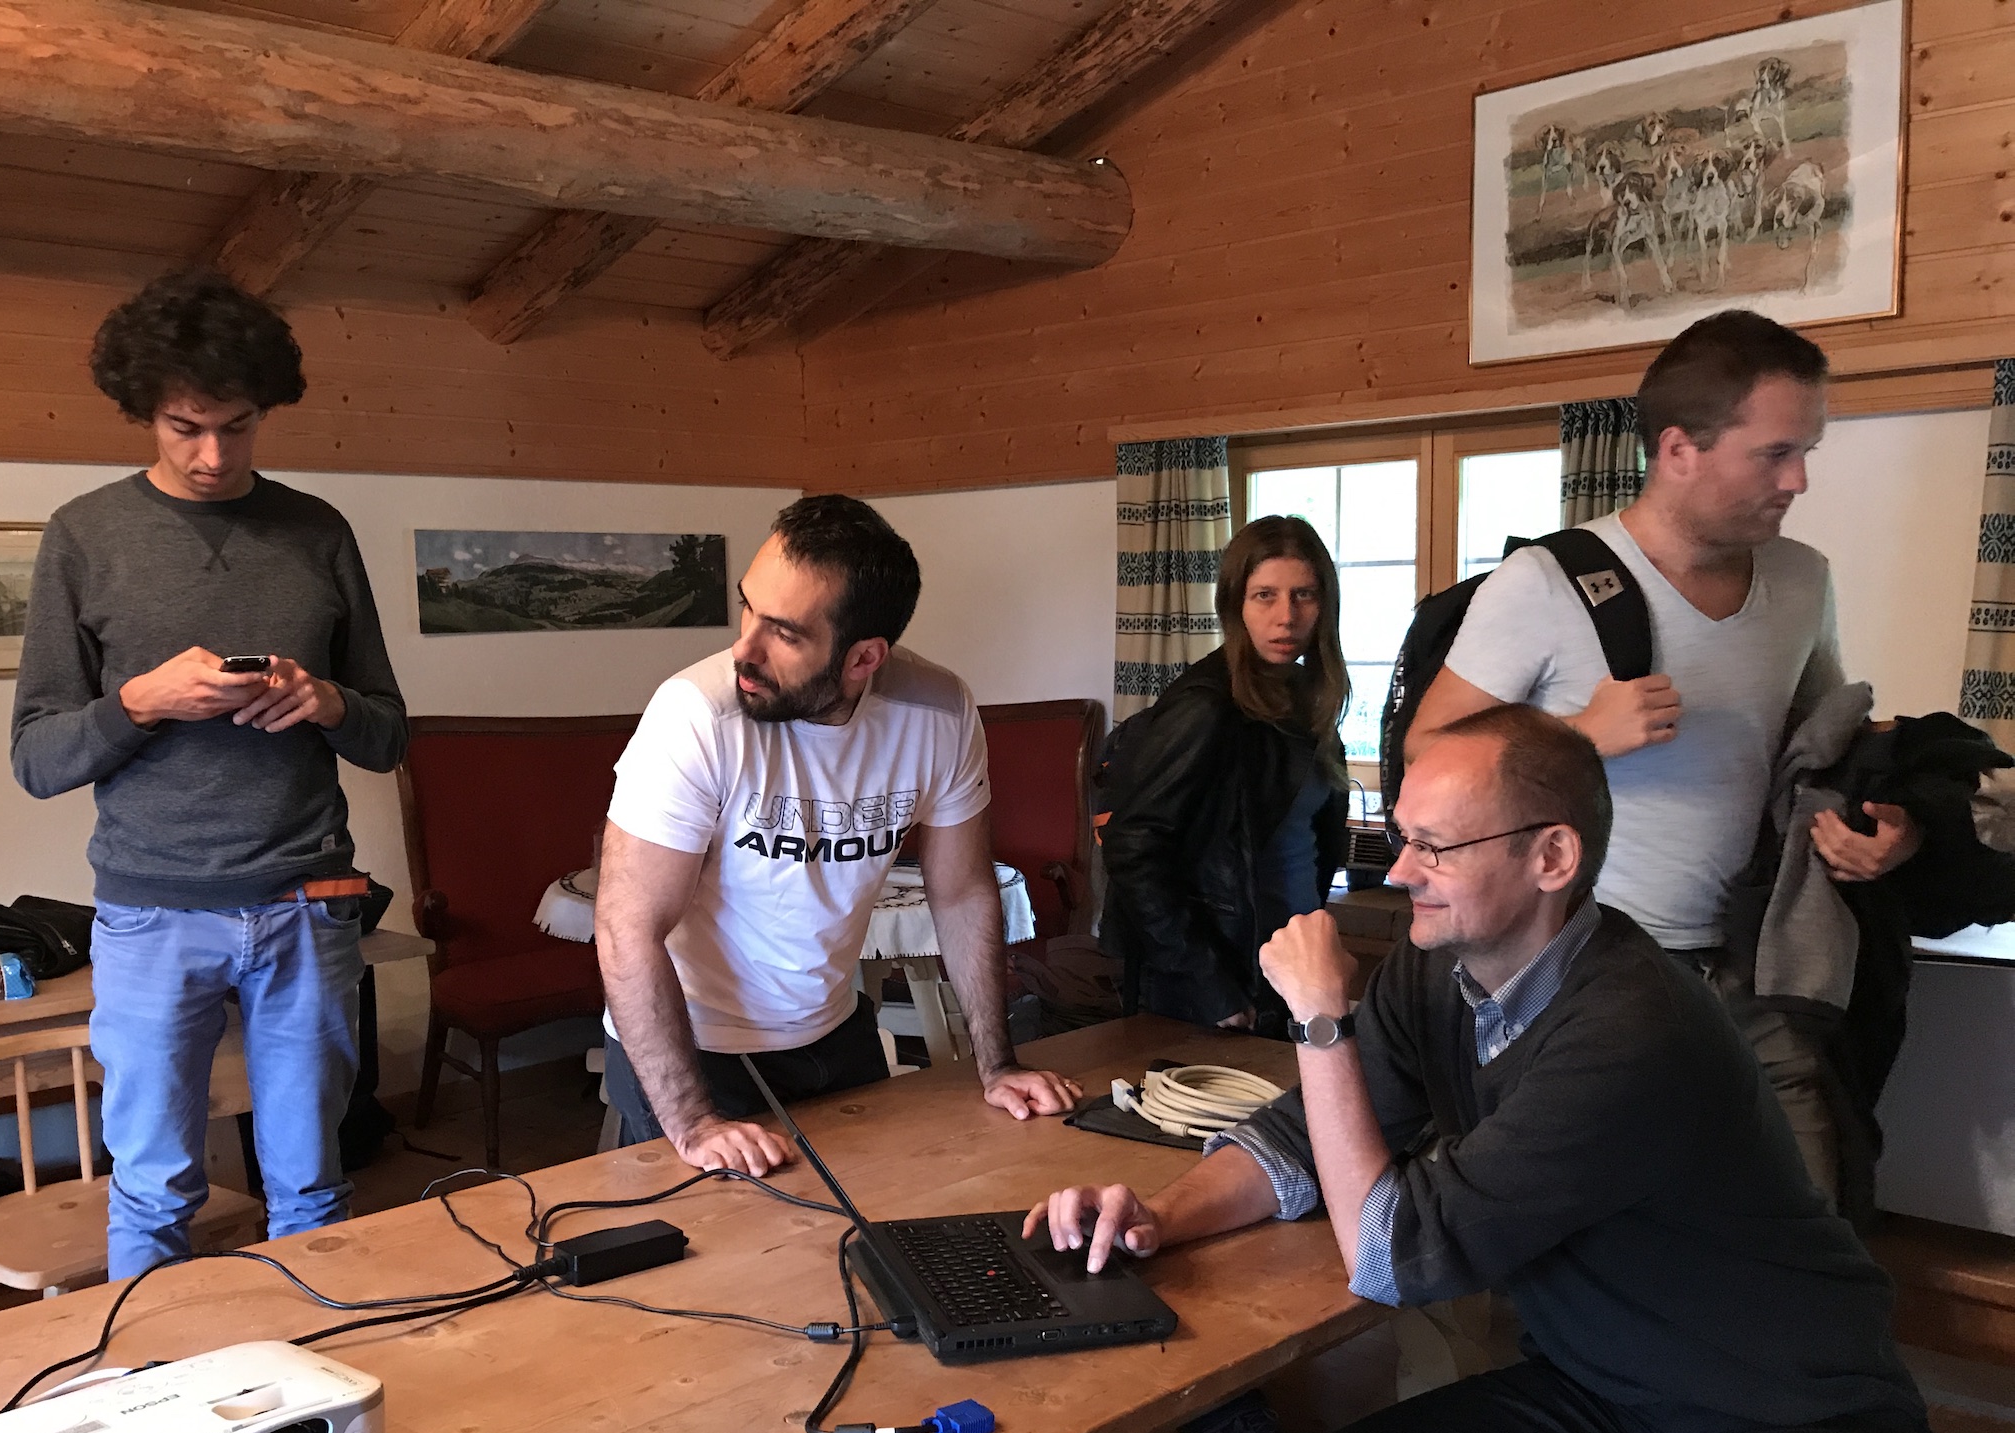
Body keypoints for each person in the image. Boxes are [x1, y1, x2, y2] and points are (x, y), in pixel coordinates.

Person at [1023, 706, 1987, 1433]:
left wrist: (1320, 1024)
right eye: (1401, 836)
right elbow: (1299, 1139)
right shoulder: (1433, 971)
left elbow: (1388, 1258)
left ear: (1551, 857)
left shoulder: (1633, 1027)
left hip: (1787, 1416)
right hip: (1603, 1402)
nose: (1400, 870)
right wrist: (1160, 1216)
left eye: (1435, 846)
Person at [1407, 310, 1916, 1204]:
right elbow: (1426, 752)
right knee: (1589, 1233)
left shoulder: (1803, 579)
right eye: (1775, 453)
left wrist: (1889, 828)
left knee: (1807, 1225)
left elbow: (1821, 751)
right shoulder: (1543, 584)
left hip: (1751, 966)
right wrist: (1576, 738)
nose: (1798, 479)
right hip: (1583, 974)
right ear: (1679, 449)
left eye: (1806, 452)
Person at [11, 270, 407, 1281]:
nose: (214, 456)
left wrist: (325, 701)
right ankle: (155, 1369)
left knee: (313, 1182)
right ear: (144, 409)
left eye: (237, 427)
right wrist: (142, 701)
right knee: (153, 1188)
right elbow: (37, 758)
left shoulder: (318, 531)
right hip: (151, 914)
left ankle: (314, 1364)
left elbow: (388, 735)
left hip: (308, 902)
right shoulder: (84, 535)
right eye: (186, 428)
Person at [595, 495, 1078, 1177]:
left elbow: (963, 891)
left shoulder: (937, 712)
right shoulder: (696, 716)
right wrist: (695, 1123)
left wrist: (997, 1065)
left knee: (874, 1221)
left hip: (835, 1031)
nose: (744, 648)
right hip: (693, 1051)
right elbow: (626, 927)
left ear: (863, 658)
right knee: (715, 1243)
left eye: (784, 633)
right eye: (748, 608)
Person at [1101, 515, 1351, 1035]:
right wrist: (1208, 983)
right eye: (1265, 596)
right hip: (1216, 981)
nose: (1286, 616)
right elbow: (1132, 845)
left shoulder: (1308, 700)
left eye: (1303, 595)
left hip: (1288, 969)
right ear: (1235, 605)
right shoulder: (1206, 707)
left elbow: (1309, 841)